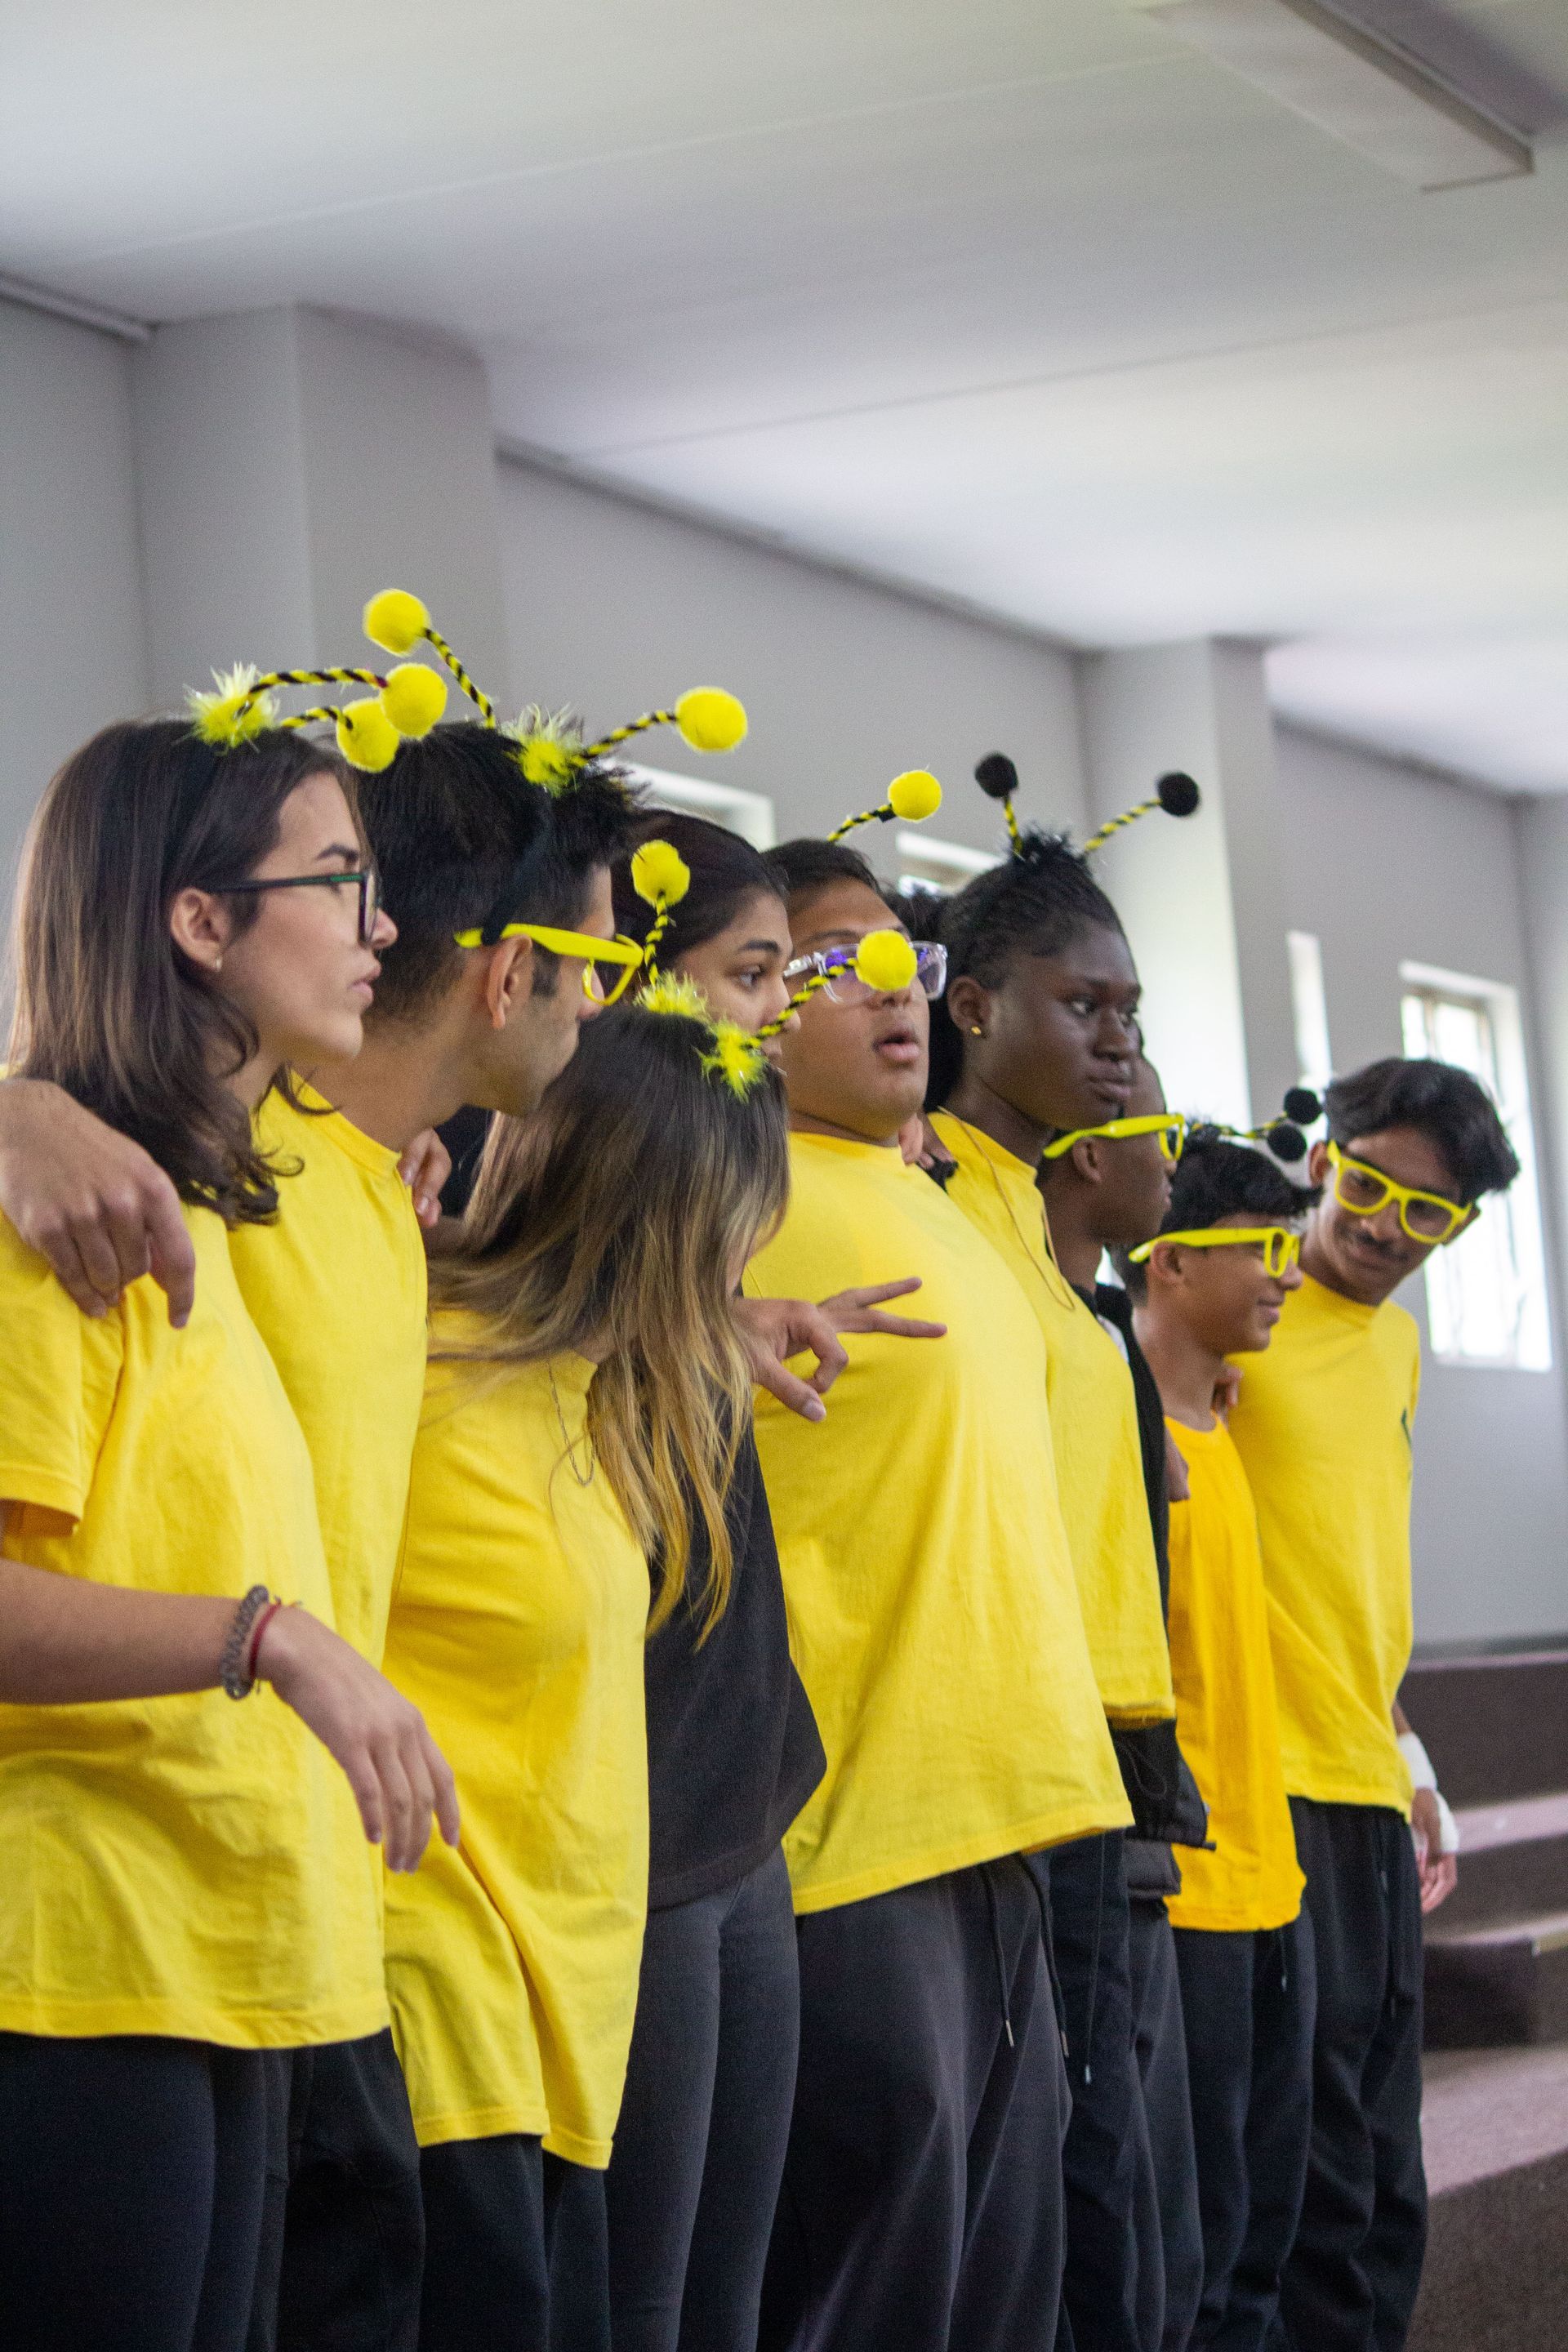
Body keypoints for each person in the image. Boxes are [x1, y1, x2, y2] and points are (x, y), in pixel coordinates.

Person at [0, 695, 640, 2352]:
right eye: (339, 883)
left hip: (256, 1946)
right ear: (199, 923)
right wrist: (267, 1640)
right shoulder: (63, 1212)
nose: (384, 925)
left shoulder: (227, 1197)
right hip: (86, 1954)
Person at [749, 834, 1129, 2352]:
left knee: (1006, 2291)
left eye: (899, 958)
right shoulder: (721, 1184)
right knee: (874, 2289)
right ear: (745, 997)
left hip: (1004, 1810)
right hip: (843, 1832)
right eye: (831, 965)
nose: (891, 989)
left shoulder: (953, 1196)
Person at [378, 998, 792, 2352]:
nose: (747, 1272)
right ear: (670, 1229)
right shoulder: (417, 1371)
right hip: (437, 2025)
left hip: (562, 2036)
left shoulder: (604, 1395)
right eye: (738, 1236)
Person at [605, 813, 953, 2352]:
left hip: (745, 1783)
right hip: (642, 1813)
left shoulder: (716, 1190)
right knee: (646, 2294)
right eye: (758, 976)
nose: (780, 1013)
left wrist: (721, 1320)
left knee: (728, 2297)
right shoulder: (505, 1175)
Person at [930, 821, 1201, 2352]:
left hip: (1102, 1753)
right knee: (1068, 2204)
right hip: (1010, 1759)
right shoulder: (940, 1201)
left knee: (1121, 2200)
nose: (1117, 1042)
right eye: (1083, 1006)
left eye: (1131, 1012)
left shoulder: (1034, 1234)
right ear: (972, 1008)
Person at [1226, 1058, 1515, 2352]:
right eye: (1368, 1185)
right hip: (1263, 1775)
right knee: (1314, 2160)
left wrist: (1411, 1758)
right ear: (1319, 1160)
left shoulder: (1395, 1345)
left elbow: (1349, 1569)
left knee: (1389, 2154)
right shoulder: (1233, 1299)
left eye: (1428, 1214)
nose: (1386, 1227)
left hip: (1361, 1771)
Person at [1119, 1134, 1316, 2350]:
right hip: (1184, 1898)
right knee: (1187, 2254)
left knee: (1261, 2237)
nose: (1287, 1274)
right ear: (1173, 1261)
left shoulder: (1222, 1423)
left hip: (1272, 1884)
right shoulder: (1132, 1442)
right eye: (1262, 1249)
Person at [1035, 1058, 1209, 2352]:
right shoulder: (1027, 1311)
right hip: (1055, 1784)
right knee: (1086, 2188)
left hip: (1133, 1788)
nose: (1176, 1164)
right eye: (1163, 1134)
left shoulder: (1105, 1331)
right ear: (1091, 1154)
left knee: (1161, 2217)